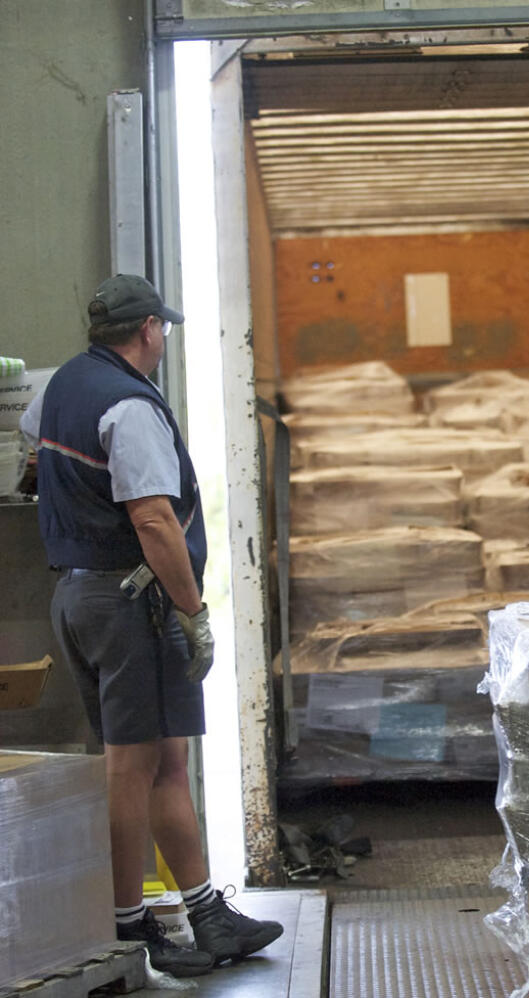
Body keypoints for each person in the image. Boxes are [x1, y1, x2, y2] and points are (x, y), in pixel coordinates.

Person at [19, 275, 282, 977]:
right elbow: (154, 518)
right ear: (146, 331)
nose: (163, 336)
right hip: (129, 602)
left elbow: (33, 443)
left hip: (80, 597)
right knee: (132, 768)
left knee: (163, 760)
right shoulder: (130, 407)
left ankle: (204, 912)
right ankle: (134, 926)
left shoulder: (62, 386)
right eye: (162, 327)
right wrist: (193, 611)